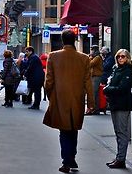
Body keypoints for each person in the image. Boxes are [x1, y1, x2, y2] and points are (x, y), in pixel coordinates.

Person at [43, 29, 94, 173]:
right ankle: (71, 157)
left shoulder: (53, 56)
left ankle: (67, 160)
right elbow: (88, 83)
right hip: (77, 99)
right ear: (75, 40)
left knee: (64, 131)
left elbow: (48, 81)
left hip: (60, 98)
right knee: (73, 129)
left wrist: (51, 97)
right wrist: (91, 103)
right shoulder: (84, 58)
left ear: (62, 40)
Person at [103, 49, 132, 169]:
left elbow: (122, 88)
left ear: (127, 58)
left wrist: (107, 89)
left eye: (123, 57)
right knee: (118, 132)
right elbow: (112, 83)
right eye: (118, 57)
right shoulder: (116, 69)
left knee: (122, 132)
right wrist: (109, 88)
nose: (120, 59)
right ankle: (119, 157)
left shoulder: (129, 71)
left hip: (122, 105)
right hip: (114, 104)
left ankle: (121, 159)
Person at [86, 45, 103, 115]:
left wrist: (89, 57)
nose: (91, 51)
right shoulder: (95, 57)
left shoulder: (97, 57)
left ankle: (92, 109)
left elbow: (90, 64)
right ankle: (96, 108)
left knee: (93, 93)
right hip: (94, 76)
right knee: (95, 94)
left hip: (96, 77)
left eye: (92, 50)